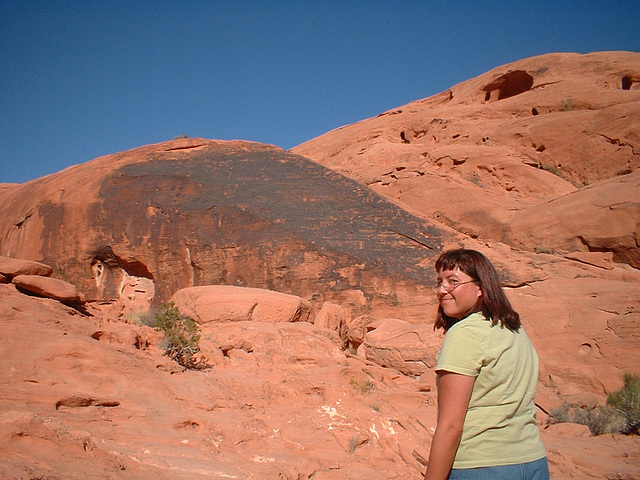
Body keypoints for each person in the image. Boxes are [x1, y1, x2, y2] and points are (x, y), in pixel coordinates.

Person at [423, 249, 549, 480]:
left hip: (481, 465)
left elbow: (451, 426)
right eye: (439, 282)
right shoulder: (514, 329)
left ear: (480, 287)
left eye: (453, 282)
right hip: (532, 462)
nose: (442, 290)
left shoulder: (465, 334)